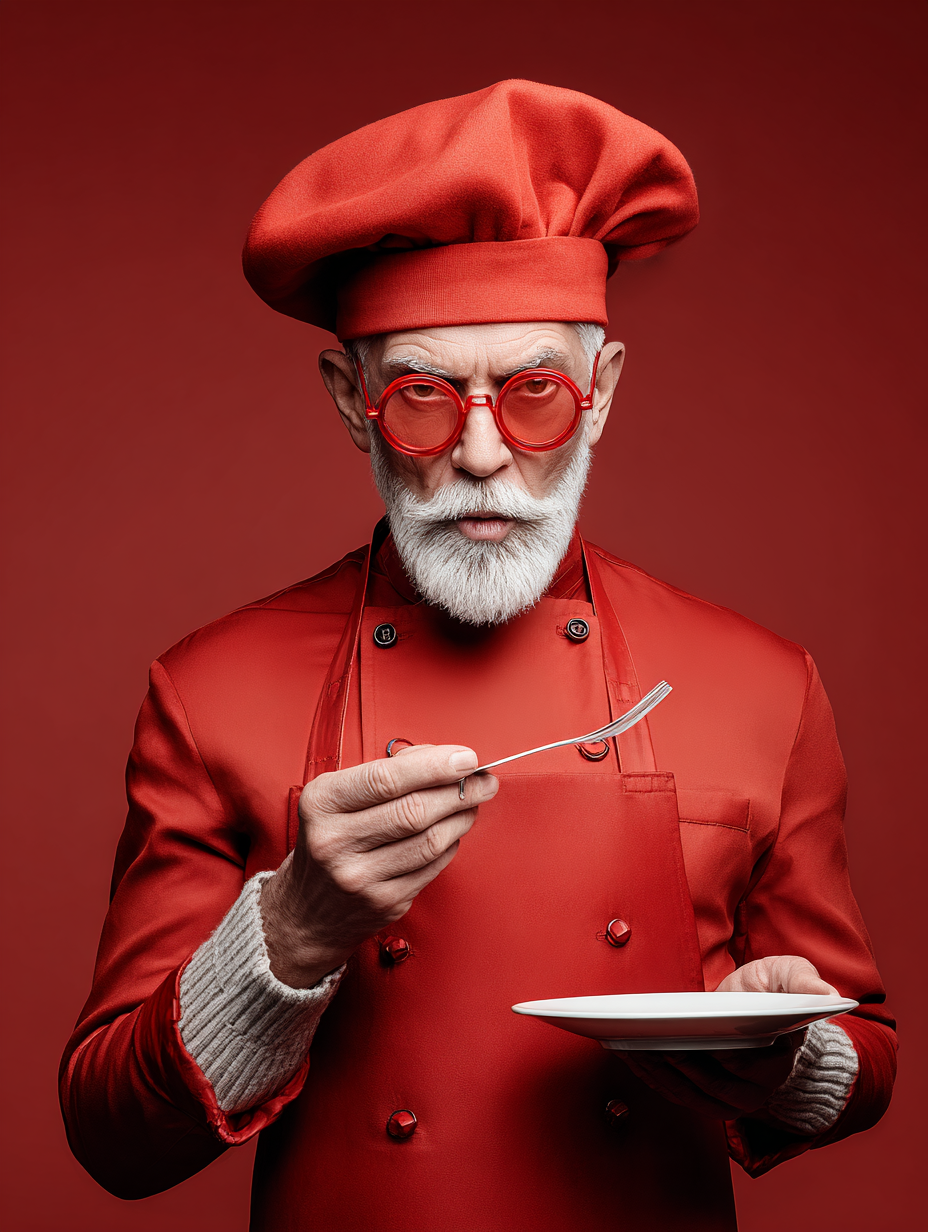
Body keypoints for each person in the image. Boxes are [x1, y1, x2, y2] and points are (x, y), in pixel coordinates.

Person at [60, 81, 895, 1232]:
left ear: (599, 394)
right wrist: (288, 933)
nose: (484, 454)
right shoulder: (209, 692)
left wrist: (792, 1058)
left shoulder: (762, 683)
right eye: (422, 396)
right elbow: (111, 1136)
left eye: (534, 392)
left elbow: (868, 1052)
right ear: (353, 405)